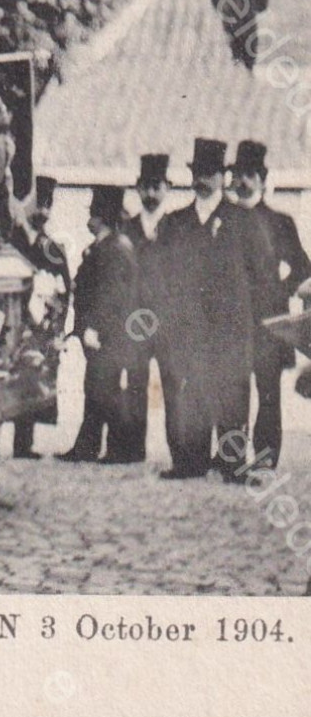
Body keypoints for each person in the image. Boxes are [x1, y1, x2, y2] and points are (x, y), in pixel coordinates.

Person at [159, 139, 275, 481]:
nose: (203, 179)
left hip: (231, 328)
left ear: (222, 177)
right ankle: (191, 462)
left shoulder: (243, 220)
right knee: (192, 391)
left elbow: (263, 275)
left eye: (210, 173)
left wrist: (252, 320)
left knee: (232, 394)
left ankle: (232, 463)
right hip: (190, 326)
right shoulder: (177, 222)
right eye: (198, 172)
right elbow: (161, 274)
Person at [228, 140, 311, 470]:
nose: (243, 182)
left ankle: (265, 457)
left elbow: (304, 268)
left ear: (262, 178)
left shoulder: (279, 221)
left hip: (269, 320)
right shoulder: (226, 219)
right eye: (238, 175)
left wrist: (280, 288)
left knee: (268, 392)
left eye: (250, 175)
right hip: (231, 320)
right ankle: (230, 457)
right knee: (231, 392)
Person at [59, 186, 139, 463]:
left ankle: (117, 448)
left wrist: (94, 328)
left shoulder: (113, 249)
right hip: (102, 332)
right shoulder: (109, 246)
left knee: (104, 389)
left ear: (102, 217)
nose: (88, 220)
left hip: (106, 334)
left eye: (92, 214)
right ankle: (91, 445)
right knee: (97, 387)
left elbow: (110, 295)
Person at [119, 154, 176, 465]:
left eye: (157, 186)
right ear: (138, 189)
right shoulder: (126, 228)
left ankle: (178, 451)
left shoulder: (177, 225)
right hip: (136, 319)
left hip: (167, 319)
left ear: (167, 187)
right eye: (145, 187)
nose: (151, 193)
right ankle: (131, 450)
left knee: (171, 383)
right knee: (136, 381)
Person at [9, 175, 69, 458]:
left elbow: (65, 289)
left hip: (40, 326)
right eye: (39, 206)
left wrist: (55, 325)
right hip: (12, 321)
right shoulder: (10, 242)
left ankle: (24, 442)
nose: (43, 213)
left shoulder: (53, 249)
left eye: (48, 206)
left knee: (32, 378)